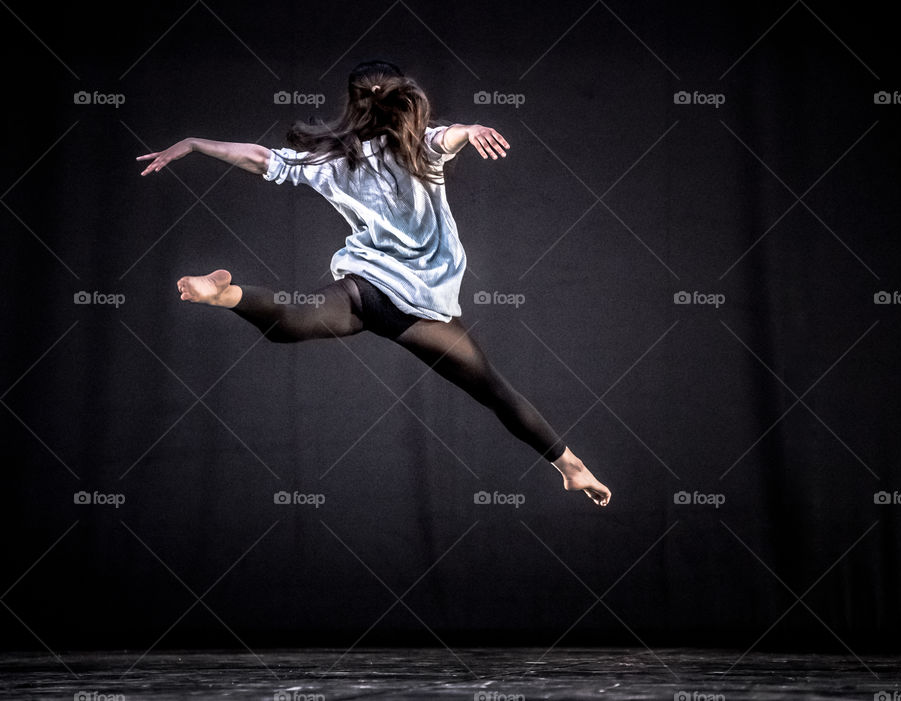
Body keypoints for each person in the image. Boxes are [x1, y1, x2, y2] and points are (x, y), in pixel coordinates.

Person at [136, 60, 611, 507]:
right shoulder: (419, 146)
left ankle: (228, 294)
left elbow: (264, 159)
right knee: (494, 390)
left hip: (365, 291)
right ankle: (571, 467)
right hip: (420, 312)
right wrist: (473, 130)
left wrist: (197, 143)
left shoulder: (332, 160)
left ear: (353, 103)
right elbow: (451, 137)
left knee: (289, 324)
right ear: (403, 97)